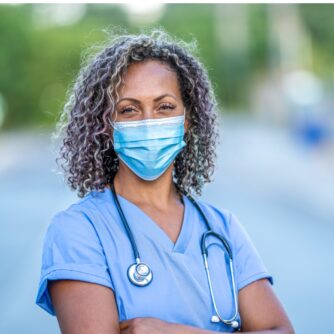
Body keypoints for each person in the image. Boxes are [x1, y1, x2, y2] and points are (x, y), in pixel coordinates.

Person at [35, 29, 294, 334]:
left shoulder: (221, 228)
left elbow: (282, 330)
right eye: (129, 110)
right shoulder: (79, 231)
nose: (149, 121)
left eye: (165, 107)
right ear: (106, 126)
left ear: (186, 121)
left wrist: (174, 332)